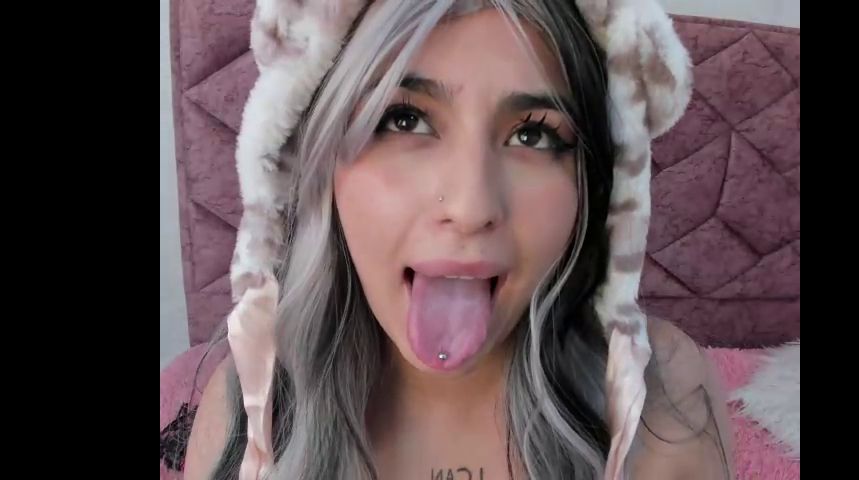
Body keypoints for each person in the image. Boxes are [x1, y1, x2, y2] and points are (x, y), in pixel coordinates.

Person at [185, 0, 733, 478]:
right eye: (403, 120)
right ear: (320, 159)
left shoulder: (664, 408)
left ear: (593, 185)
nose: (472, 208)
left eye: (533, 134)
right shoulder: (249, 410)